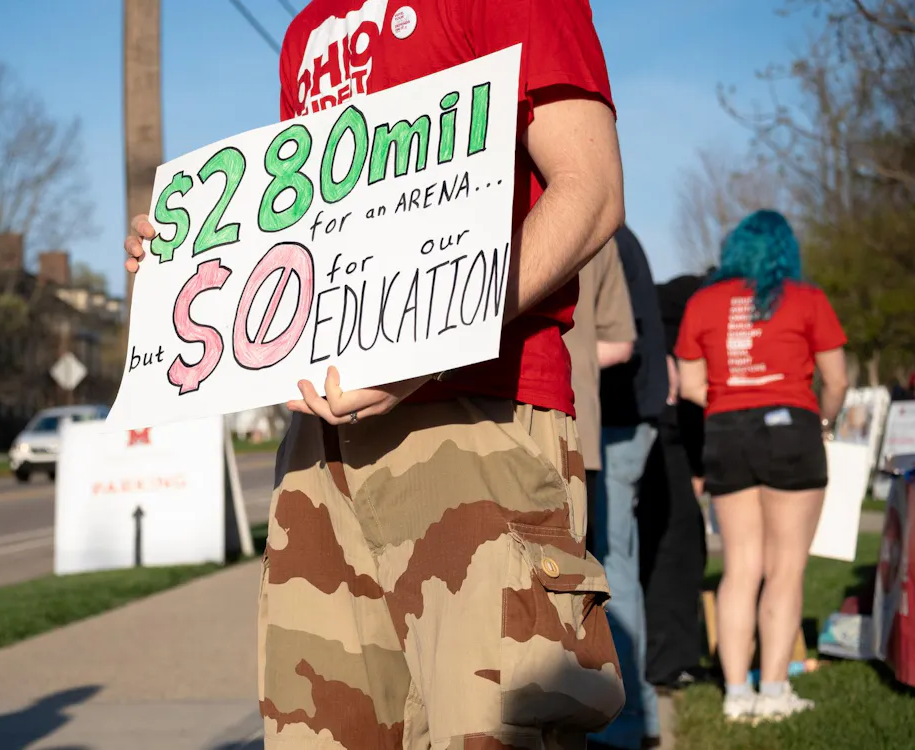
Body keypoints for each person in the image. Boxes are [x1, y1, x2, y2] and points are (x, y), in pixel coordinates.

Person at [125, 2, 627, 746]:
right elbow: (320, 233)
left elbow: (591, 190)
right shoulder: (305, 31)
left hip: (477, 413)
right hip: (319, 448)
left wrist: (425, 351)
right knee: (321, 731)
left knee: (489, 729)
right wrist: (192, 259)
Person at [674, 209, 849, 723]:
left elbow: (689, 387)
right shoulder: (808, 299)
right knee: (786, 569)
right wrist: (823, 423)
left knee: (740, 567)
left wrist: (732, 401)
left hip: (726, 431)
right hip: (793, 428)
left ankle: (735, 693)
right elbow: (836, 382)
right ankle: (773, 691)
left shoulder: (703, 301)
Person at [590, 224, 669, 750]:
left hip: (618, 417)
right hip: (631, 415)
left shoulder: (601, 232)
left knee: (612, 565)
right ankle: (642, 716)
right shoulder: (621, 234)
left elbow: (620, 342)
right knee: (621, 559)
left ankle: (628, 719)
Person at [637, 272, 710, 690]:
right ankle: (668, 663)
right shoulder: (695, 304)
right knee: (676, 548)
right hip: (669, 435)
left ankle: (666, 658)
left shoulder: (670, 300)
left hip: (660, 431)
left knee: (667, 546)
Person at [562, 236, 636, 539]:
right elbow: (620, 344)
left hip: (485, 413)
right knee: (573, 566)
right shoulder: (597, 233)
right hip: (576, 424)